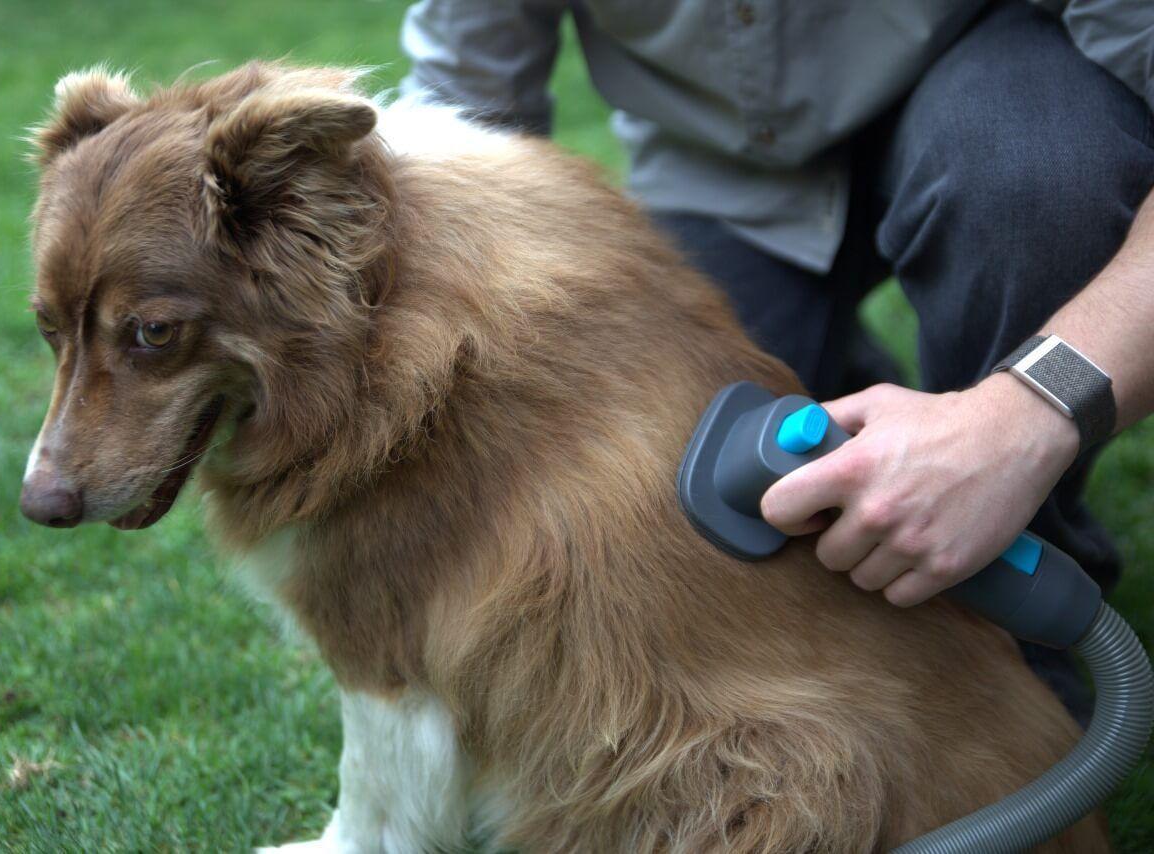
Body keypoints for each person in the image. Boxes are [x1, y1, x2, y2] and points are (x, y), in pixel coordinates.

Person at [399, 0, 1154, 721]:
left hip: (986, 97)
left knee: (1035, 175)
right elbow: (461, 108)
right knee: (674, 501)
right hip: (722, 175)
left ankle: (1022, 614)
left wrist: (1026, 415)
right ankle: (847, 376)